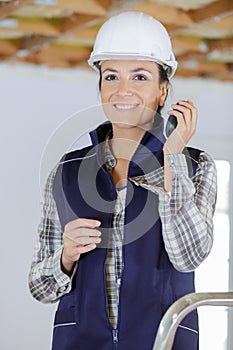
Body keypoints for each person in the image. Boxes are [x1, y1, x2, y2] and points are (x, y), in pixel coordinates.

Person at [29, 11, 217, 350]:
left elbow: (188, 256)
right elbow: (40, 287)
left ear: (163, 91)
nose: (123, 90)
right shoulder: (67, 172)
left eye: (140, 77)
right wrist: (66, 256)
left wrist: (173, 155)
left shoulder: (195, 166)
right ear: (100, 85)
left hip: (162, 343)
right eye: (111, 76)